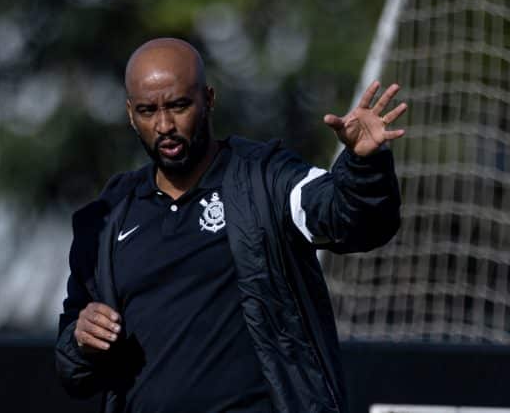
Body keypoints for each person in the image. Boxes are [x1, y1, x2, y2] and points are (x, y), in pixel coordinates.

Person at [55, 38, 406, 413]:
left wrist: (363, 166)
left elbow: (350, 219)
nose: (164, 125)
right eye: (147, 110)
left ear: (208, 98)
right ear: (130, 113)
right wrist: (80, 340)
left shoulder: (265, 178)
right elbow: (73, 370)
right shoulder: (107, 216)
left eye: (179, 105)